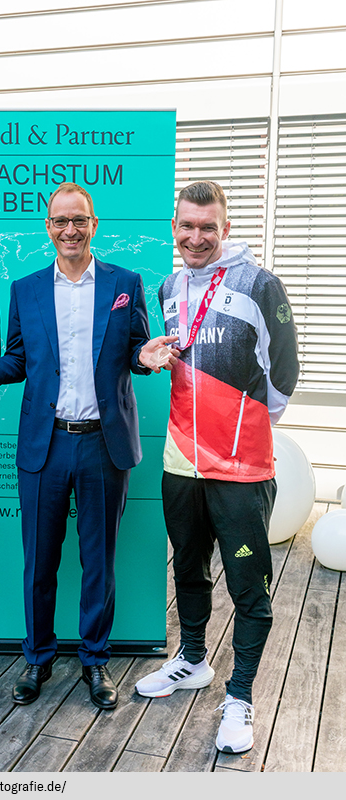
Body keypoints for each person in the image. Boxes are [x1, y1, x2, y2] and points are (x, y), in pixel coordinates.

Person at [0, 181, 175, 710]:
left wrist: (146, 356)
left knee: (100, 561)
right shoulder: (24, 289)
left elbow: (135, 350)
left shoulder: (125, 283)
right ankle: (38, 657)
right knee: (39, 562)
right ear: (48, 227)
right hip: (43, 446)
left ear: (94, 224)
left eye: (79, 220)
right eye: (60, 220)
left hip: (103, 445)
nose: (71, 229)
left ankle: (95, 659)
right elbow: (18, 360)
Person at [135, 181, 299, 753]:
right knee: (187, 567)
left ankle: (241, 696)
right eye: (187, 226)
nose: (197, 237)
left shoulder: (259, 284)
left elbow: (284, 371)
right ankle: (192, 660)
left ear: (225, 228)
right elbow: (167, 357)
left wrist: (242, 425)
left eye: (208, 227)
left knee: (249, 586)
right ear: (174, 228)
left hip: (241, 466)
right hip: (181, 461)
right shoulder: (169, 286)